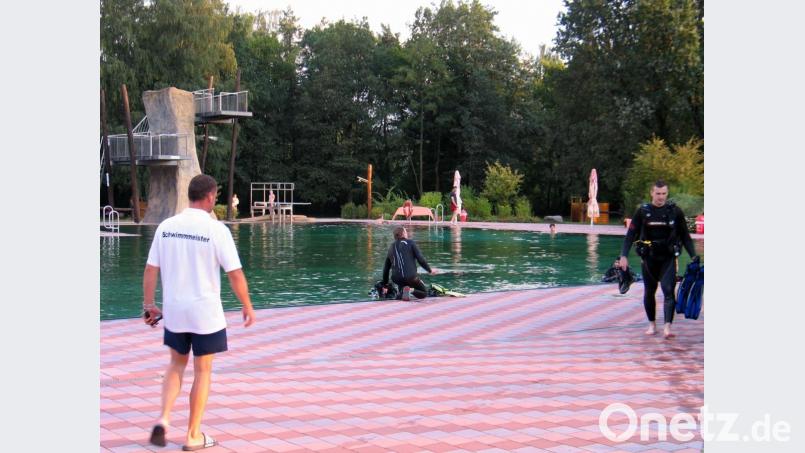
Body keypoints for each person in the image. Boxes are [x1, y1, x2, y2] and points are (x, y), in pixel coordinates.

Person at [142, 174, 256, 450]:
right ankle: (193, 435)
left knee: (176, 365)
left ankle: (164, 418)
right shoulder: (216, 230)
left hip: (175, 311)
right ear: (209, 197)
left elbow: (150, 269)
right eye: (215, 197)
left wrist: (148, 305)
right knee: (202, 371)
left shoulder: (167, 227)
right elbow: (235, 273)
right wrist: (247, 304)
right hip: (205, 313)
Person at [619, 179, 698, 339]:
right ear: (652, 193)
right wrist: (624, 255)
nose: (661, 197)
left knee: (669, 291)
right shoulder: (643, 211)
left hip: (668, 258)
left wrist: (694, 255)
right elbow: (630, 235)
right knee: (649, 291)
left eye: (663, 194)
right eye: (658, 194)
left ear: (667, 194)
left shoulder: (675, 211)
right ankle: (652, 325)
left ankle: (667, 327)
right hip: (649, 258)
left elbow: (685, 236)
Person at [382, 226, 437, 300]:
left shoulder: (391, 247)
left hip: (397, 279)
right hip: (411, 277)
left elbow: (386, 269)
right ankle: (411, 290)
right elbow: (420, 259)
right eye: (406, 231)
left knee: (402, 285)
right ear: (404, 233)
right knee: (424, 293)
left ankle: (402, 292)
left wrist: (385, 285)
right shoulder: (411, 243)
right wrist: (430, 270)